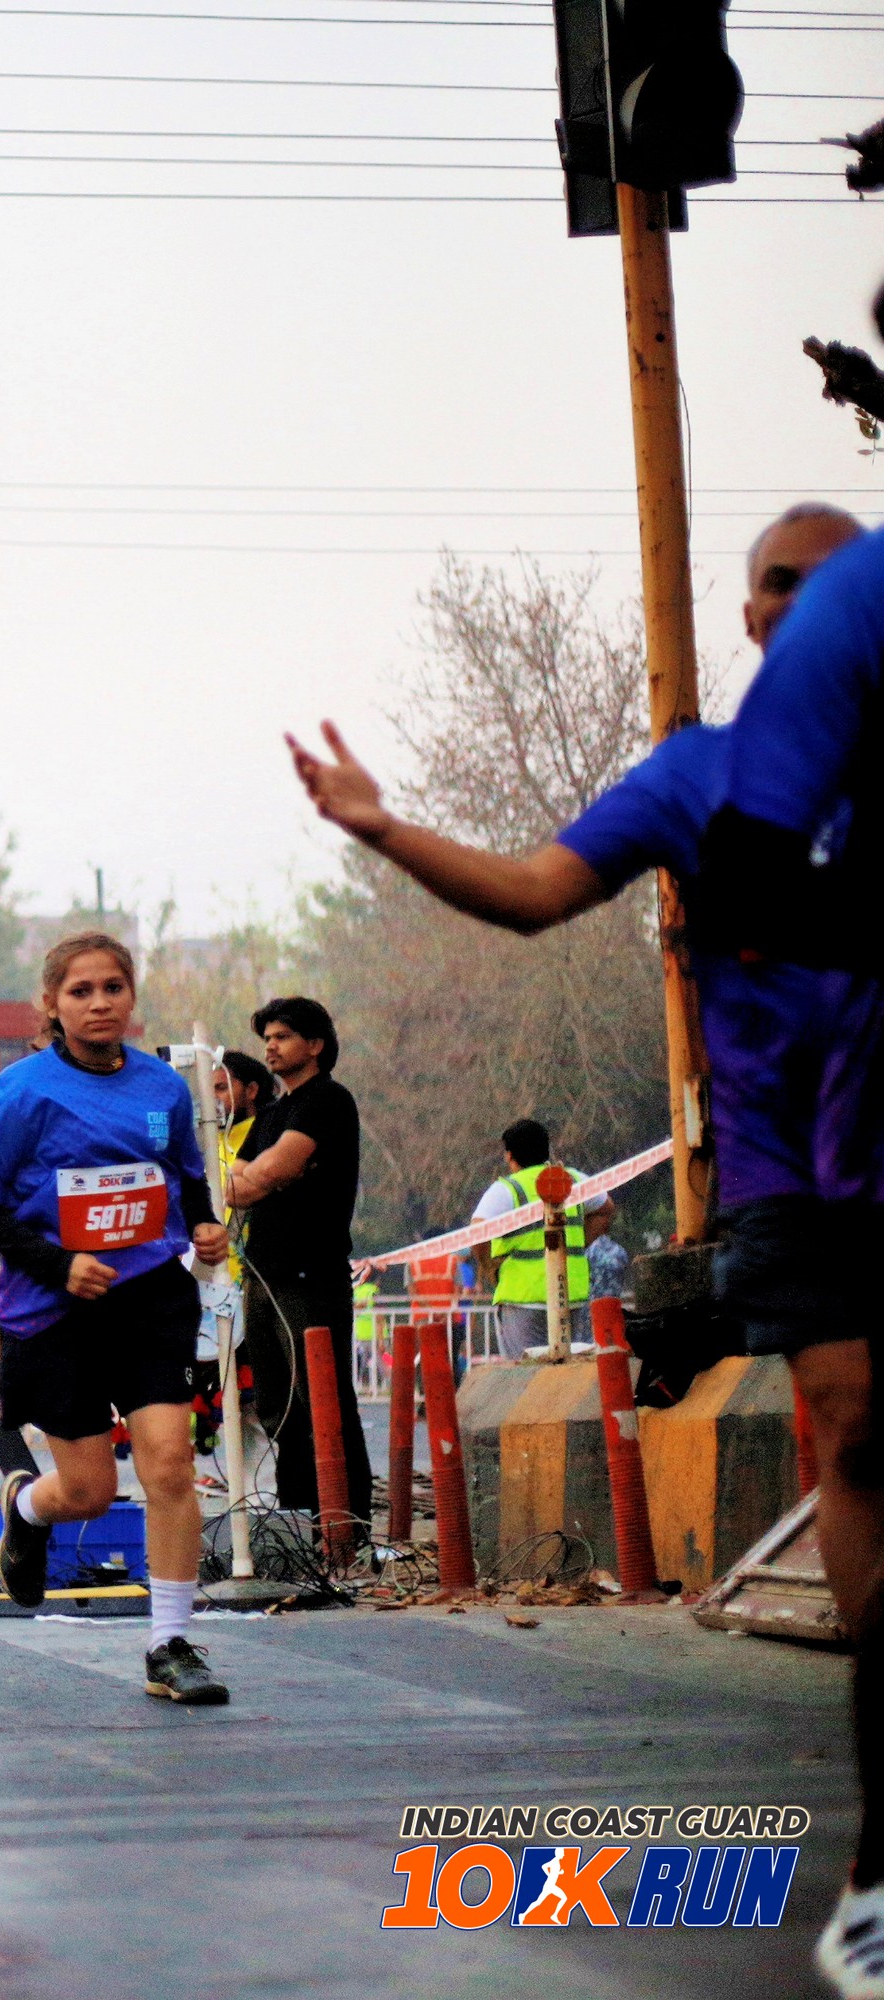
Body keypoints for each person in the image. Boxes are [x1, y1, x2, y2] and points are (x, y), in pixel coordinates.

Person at [284, 500, 884, 1990]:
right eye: (779, 585)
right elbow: (538, 892)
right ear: (751, 619)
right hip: (790, 1172)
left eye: (833, 582)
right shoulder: (698, 778)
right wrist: (382, 826)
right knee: (855, 1421)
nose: (804, 606)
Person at [0, 932, 232, 1704]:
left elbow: (185, 1177)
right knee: (89, 1492)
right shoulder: (22, 1092)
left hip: (149, 1297)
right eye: (80, 991)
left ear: (131, 997)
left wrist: (204, 1224)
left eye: (113, 987)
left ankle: (169, 1644)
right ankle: (25, 1507)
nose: (99, 1003)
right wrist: (60, 1264)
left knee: (169, 1465)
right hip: (54, 1309)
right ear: (52, 1004)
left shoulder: (162, 1087)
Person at [225, 994, 371, 1535]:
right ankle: (299, 1526)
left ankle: (347, 1529)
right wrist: (260, 1176)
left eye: (282, 1036)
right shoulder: (272, 1114)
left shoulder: (328, 1100)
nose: (271, 1046)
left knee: (324, 1408)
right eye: (267, 1037)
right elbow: (235, 1188)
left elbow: (264, 1175)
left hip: (311, 1277)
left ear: (315, 1045)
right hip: (262, 1276)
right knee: (278, 1409)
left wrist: (263, 1176)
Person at [471, 1119, 614, 1359]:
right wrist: (574, 1245)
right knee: (571, 1369)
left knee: (525, 1373)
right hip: (571, 1297)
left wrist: (488, 1266)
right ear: (546, 1149)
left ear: (509, 1156)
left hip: (523, 1300)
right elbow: (606, 1210)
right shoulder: (572, 1180)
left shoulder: (507, 1190)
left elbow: (477, 1232)